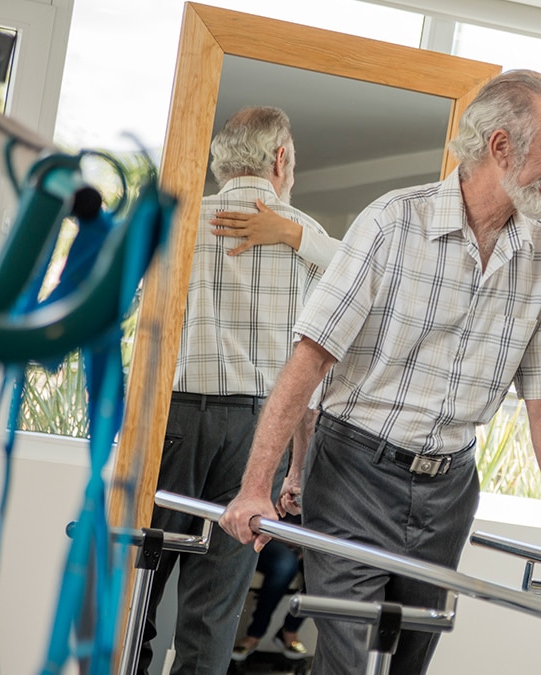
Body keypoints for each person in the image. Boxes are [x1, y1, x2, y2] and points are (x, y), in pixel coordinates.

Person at [218, 69, 541, 675]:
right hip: (353, 475)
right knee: (350, 661)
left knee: (409, 661)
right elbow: (309, 358)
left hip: (449, 490)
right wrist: (256, 484)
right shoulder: (393, 223)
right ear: (501, 147)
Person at [138, 106, 337, 674]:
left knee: (139, 588)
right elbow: (314, 368)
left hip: (173, 418)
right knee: (215, 609)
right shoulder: (308, 238)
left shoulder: (177, 222)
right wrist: (298, 467)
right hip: (258, 432)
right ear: (280, 159)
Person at [230, 514, 310, 663]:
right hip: (268, 533)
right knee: (285, 565)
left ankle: (290, 629)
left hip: (307, 539)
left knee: (325, 569)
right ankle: (255, 634)